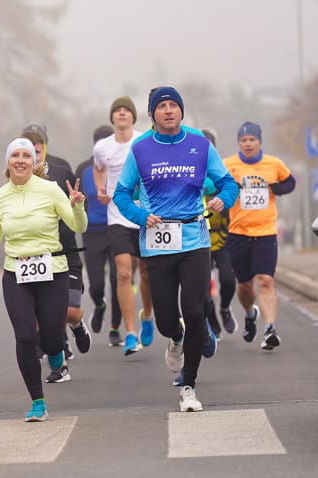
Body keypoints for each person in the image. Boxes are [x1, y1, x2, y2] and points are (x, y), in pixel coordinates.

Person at [113, 86, 238, 412]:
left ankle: (189, 386)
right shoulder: (140, 150)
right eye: (162, 106)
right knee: (169, 319)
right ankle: (176, 337)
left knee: (195, 311)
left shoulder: (199, 144)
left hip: (195, 238)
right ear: (153, 114)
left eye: (173, 105)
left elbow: (228, 183)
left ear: (181, 111)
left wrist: (222, 200)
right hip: (158, 244)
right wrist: (141, 216)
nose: (168, 110)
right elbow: (122, 195)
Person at [0, 138, 87, 421]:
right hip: (16, 273)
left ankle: (56, 352)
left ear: (35, 163)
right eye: (15, 155)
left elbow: (77, 226)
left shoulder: (50, 190)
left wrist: (76, 207)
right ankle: (37, 402)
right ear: (8, 162)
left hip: (53, 270)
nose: (21, 160)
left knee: (50, 340)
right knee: (25, 336)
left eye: (27, 155)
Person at [21, 124, 91, 384]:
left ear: (45, 148)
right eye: (28, 151)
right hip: (37, 257)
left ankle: (77, 325)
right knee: (46, 314)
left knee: (69, 312)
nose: (33, 156)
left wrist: (79, 206)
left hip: (66, 251)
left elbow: (79, 204)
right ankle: (59, 363)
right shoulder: (18, 177)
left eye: (37, 151)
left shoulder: (61, 169)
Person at [223, 122, 296, 350]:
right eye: (243, 140)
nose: (247, 144)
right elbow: (214, 185)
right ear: (238, 143)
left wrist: (277, 188)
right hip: (238, 234)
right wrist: (229, 188)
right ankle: (249, 313)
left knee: (265, 280)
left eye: (252, 140)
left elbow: (290, 182)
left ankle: (269, 329)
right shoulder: (228, 164)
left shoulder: (274, 164)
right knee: (244, 286)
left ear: (259, 142)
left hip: (265, 233)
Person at [93, 96, 155, 355]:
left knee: (147, 272)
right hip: (117, 215)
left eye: (125, 111)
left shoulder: (143, 141)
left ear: (132, 117)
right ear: (112, 117)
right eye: (116, 111)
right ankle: (130, 333)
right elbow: (99, 169)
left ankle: (147, 316)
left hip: (145, 215)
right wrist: (101, 187)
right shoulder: (102, 147)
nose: (121, 114)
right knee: (123, 273)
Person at [76, 125, 122, 343]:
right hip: (92, 233)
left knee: (118, 280)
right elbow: (75, 201)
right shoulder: (83, 169)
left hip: (116, 229)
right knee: (96, 285)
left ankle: (115, 329)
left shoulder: (122, 166)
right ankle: (99, 305)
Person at [201, 128, 237, 336]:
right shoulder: (187, 172)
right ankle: (211, 318)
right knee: (202, 288)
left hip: (223, 238)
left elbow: (233, 195)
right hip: (199, 240)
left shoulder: (222, 173)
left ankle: (224, 308)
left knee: (228, 279)